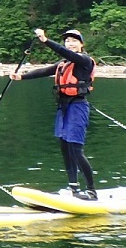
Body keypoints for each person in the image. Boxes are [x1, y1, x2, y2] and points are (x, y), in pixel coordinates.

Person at [10, 27, 97, 200]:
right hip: (63, 108)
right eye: (67, 41)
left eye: (74, 41)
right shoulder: (64, 64)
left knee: (76, 150)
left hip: (78, 107)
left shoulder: (84, 60)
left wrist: (45, 41)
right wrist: (21, 77)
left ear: (81, 44)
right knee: (65, 149)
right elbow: (44, 71)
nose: (70, 44)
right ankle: (74, 189)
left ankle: (91, 191)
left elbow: (65, 52)